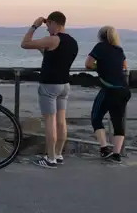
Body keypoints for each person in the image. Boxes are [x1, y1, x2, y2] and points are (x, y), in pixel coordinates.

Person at [21, 11, 78, 168]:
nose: (47, 29)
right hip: (64, 85)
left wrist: (34, 26)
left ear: (54, 23)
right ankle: (58, 154)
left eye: (48, 25)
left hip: (49, 85)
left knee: (50, 121)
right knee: (61, 121)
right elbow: (51, 56)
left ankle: (50, 158)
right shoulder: (73, 42)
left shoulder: (53, 39)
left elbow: (25, 43)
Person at [85, 26, 131, 164]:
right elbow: (124, 66)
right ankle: (116, 154)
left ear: (101, 36)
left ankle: (104, 148)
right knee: (118, 121)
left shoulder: (100, 47)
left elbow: (88, 64)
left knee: (96, 117)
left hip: (109, 89)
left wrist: (98, 67)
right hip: (123, 89)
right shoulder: (119, 49)